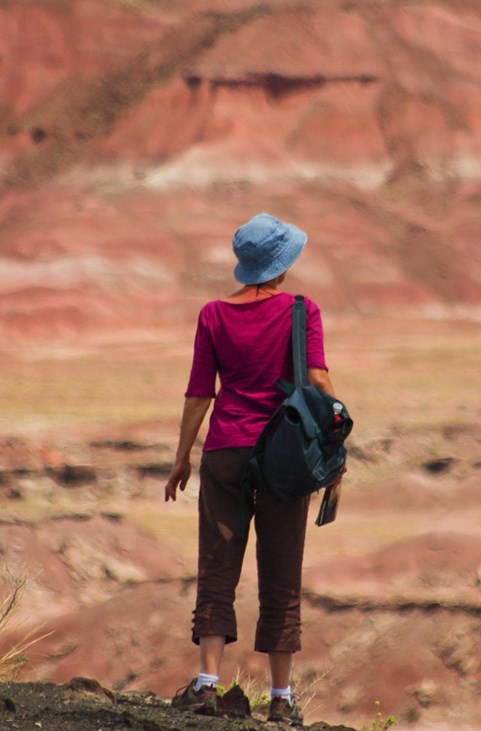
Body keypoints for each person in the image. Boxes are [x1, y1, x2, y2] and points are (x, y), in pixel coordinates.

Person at [164, 212, 340, 726]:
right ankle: (281, 698)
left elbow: (200, 393)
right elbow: (320, 380)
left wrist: (181, 458)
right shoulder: (302, 311)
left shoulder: (213, 315)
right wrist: (335, 446)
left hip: (224, 451)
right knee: (281, 574)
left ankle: (206, 684)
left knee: (217, 567)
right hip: (285, 456)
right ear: (282, 265)